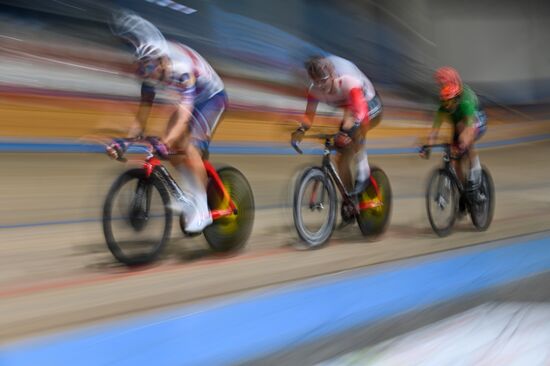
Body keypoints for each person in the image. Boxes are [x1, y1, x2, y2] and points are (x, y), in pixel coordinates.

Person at [107, 13, 227, 233]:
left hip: (211, 97)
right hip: (189, 100)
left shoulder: (182, 70)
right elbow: (141, 119)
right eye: (145, 68)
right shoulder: (150, 74)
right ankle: (194, 187)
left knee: (182, 142)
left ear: (162, 61)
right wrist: (124, 142)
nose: (149, 73)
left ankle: (202, 210)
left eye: (152, 67)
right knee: (169, 147)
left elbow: (184, 115)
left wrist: (168, 142)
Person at [291, 55, 383, 223]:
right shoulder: (314, 90)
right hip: (350, 107)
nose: (320, 85)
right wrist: (299, 131)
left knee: (354, 134)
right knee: (341, 159)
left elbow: (360, 114)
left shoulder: (348, 83)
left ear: (333, 75)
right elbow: (308, 117)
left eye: (323, 80)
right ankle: (350, 199)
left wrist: (349, 133)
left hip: (369, 103)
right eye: (316, 81)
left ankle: (363, 168)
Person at [422, 66, 487, 200]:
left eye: (443, 83)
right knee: (453, 157)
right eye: (440, 84)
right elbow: (434, 130)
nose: (440, 86)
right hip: (459, 122)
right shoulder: (444, 105)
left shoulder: (465, 100)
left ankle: (476, 168)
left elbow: (469, 127)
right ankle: (463, 190)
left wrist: (464, 142)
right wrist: (428, 146)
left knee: (464, 139)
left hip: (475, 119)